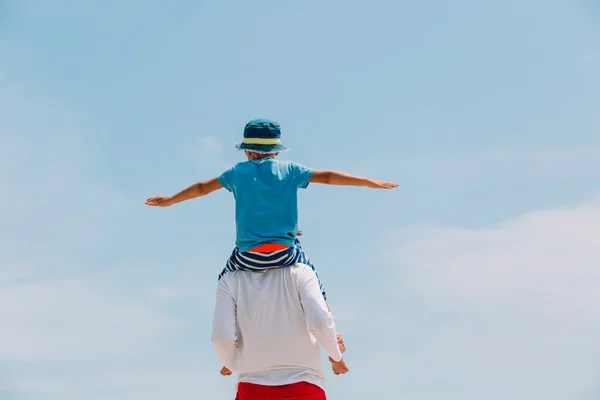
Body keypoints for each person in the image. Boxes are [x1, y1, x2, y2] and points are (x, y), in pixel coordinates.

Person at [145, 118, 398, 303]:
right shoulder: (291, 170)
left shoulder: (237, 173)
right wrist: (367, 181)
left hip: (246, 257)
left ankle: (231, 344)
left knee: (224, 281)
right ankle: (333, 342)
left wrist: (170, 200)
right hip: (286, 254)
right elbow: (329, 177)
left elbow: (201, 188)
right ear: (276, 150)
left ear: (246, 150)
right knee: (316, 284)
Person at [212, 262, 348, 399]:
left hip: (252, 387)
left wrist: (231, 362)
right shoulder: (302, 268)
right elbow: (321, 322)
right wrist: (335, 354)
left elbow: (222, 337)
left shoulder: (229, 277)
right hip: (305, 385)